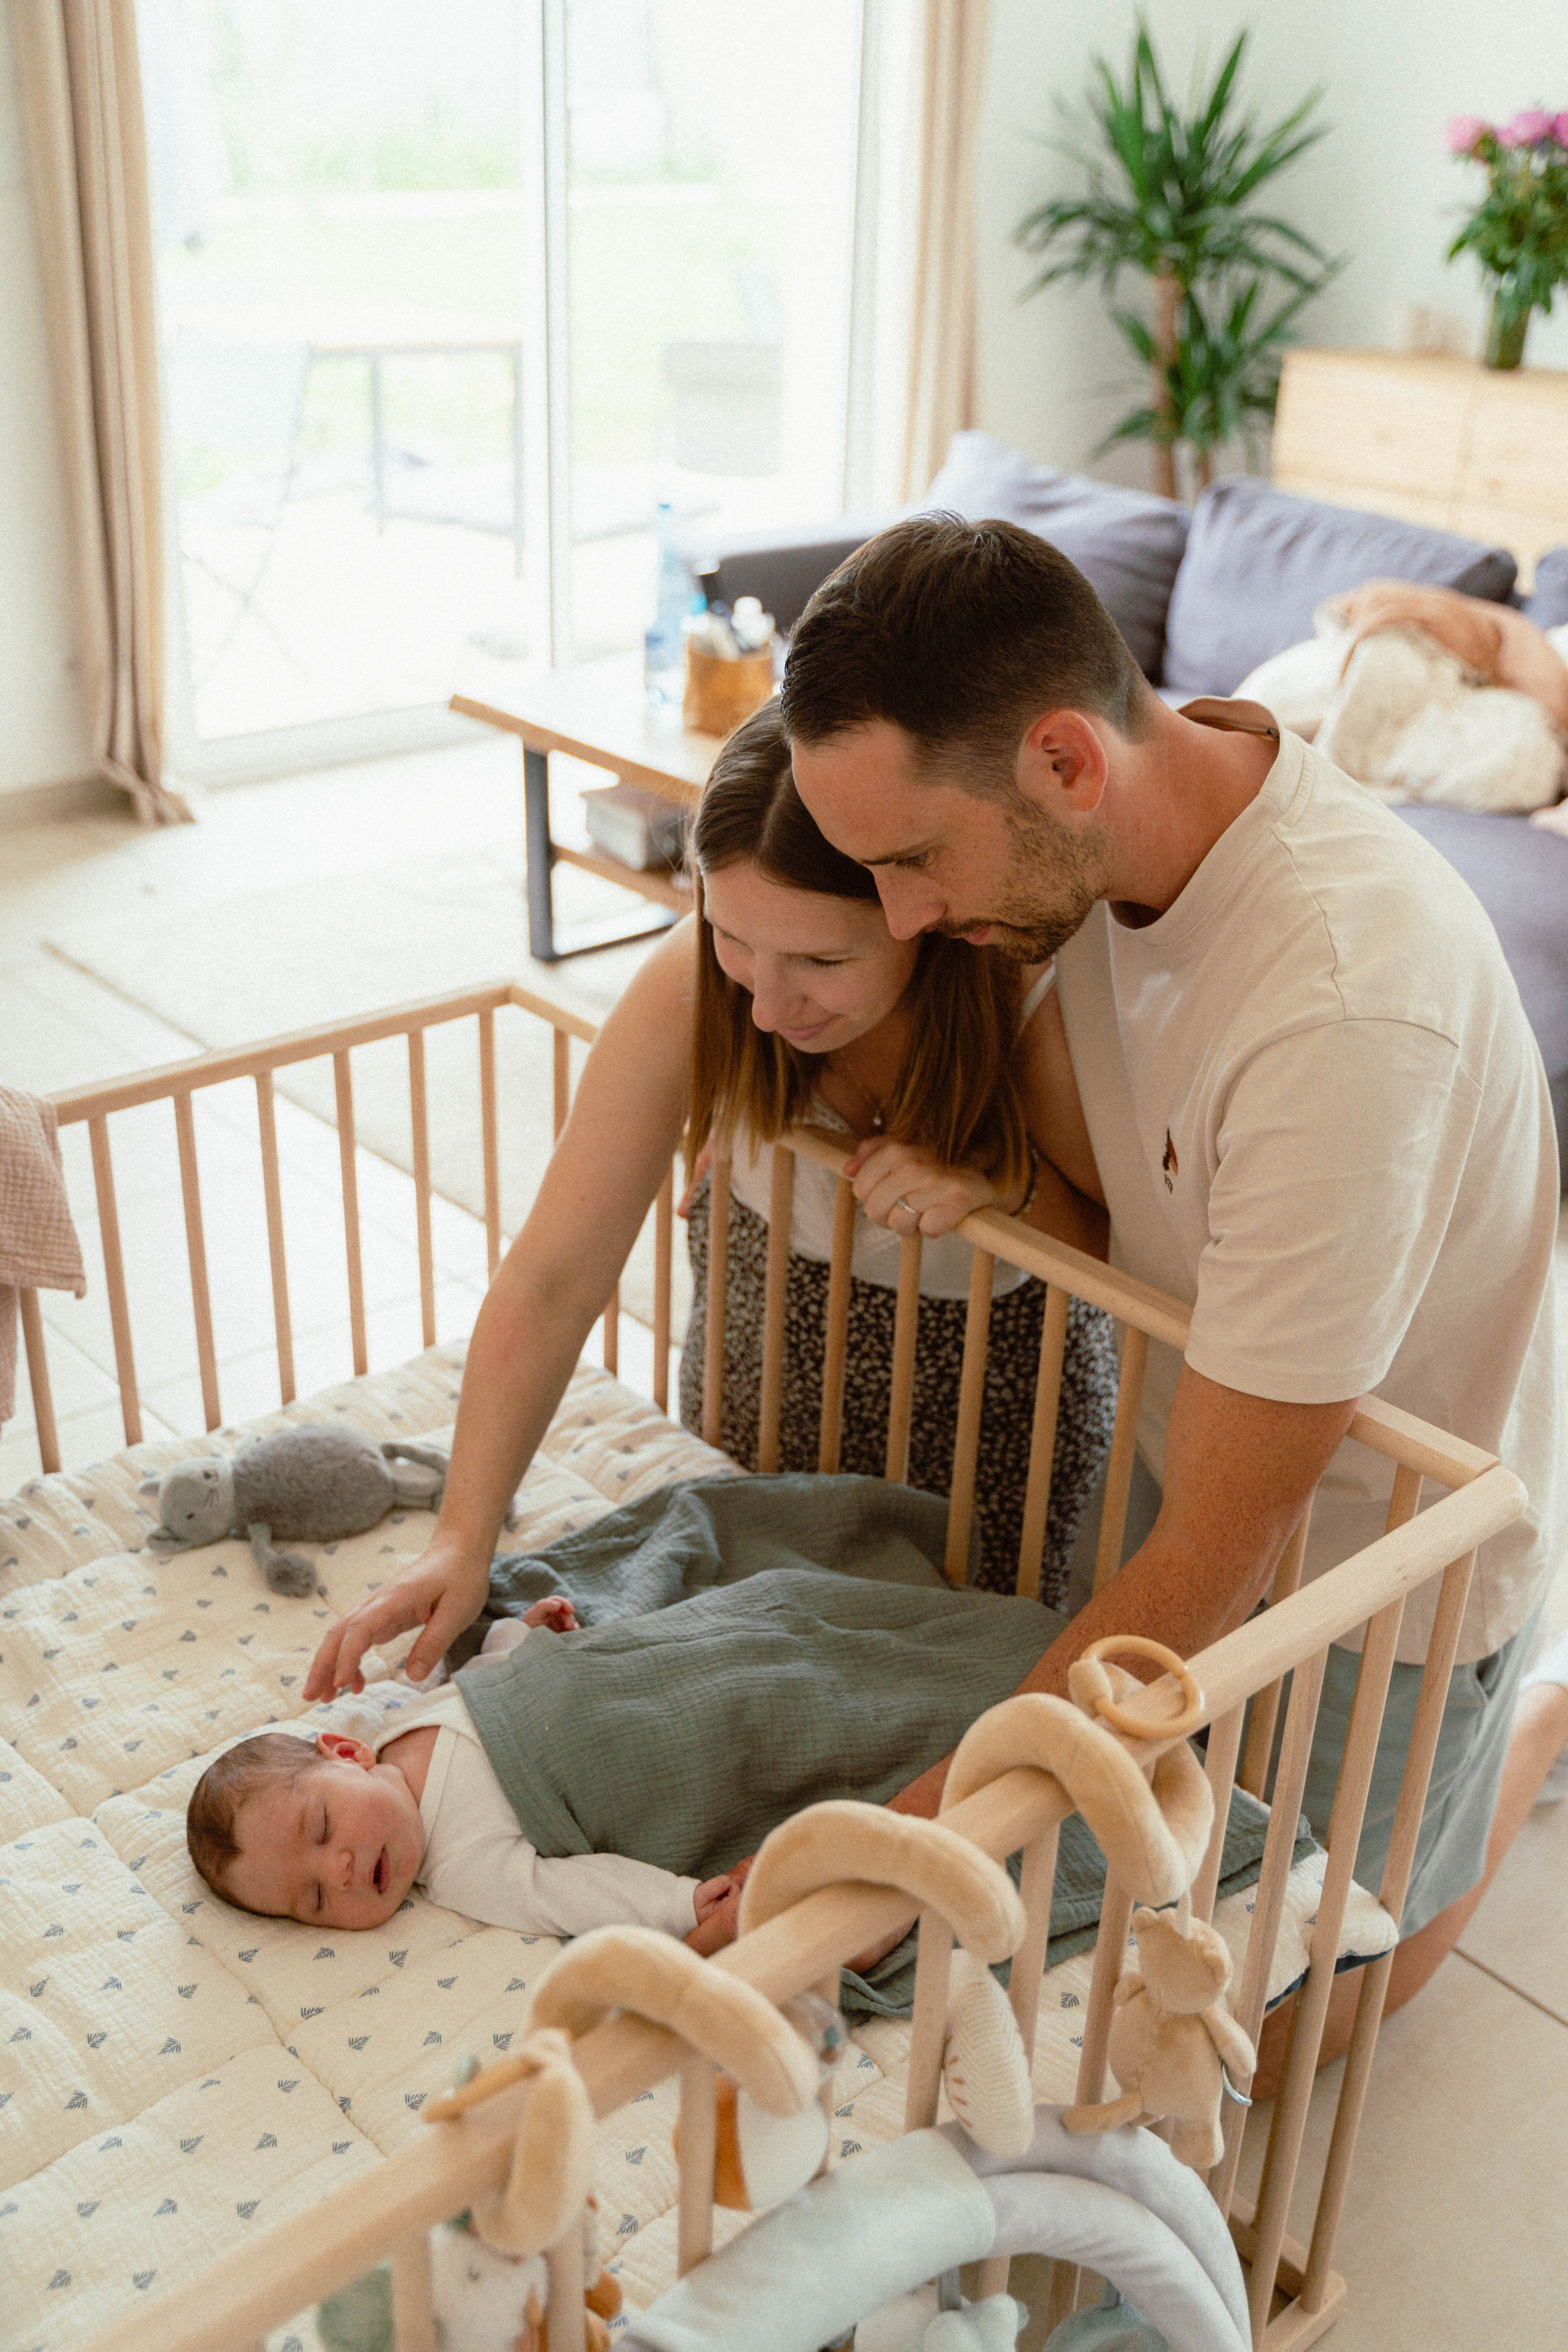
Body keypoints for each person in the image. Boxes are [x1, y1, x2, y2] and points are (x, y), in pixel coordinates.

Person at [779, 512, 1567, 2063]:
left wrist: (916, 1844)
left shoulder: (1343, 1001)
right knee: (1152, 1899)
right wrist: (1002, 1183)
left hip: (1380, 1566)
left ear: (1068, 761)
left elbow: (1229, 1534)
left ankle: (1531, 1720)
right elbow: (1132, 1186)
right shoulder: (1104, 843)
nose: (904, 919)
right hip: (1209, 1450)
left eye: (914, 858)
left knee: (1306, 2020)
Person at [303, 702, 1116, 1709]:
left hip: (974, 1476)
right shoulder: (694, 984)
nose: (769, 1008)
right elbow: (554, 1279)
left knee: (918, 1702)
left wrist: (1011, 1188)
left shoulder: (1028, 1008)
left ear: (925, 917)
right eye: (732, 937)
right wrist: (460, 1541)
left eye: (824, 962)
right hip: (752, 1415)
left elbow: (1132, 1271)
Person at [188, 1599, 747, 1942]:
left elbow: (481, 1681)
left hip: (613, 1681)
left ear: (346, 1753)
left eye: (322, 1828)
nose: (338, 1874)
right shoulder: (458, 1868)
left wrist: (521, 1636)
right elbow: (561, 1894)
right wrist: (676, 1904)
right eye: (313, 1901)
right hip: (656, 1745)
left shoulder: (400, 1725)